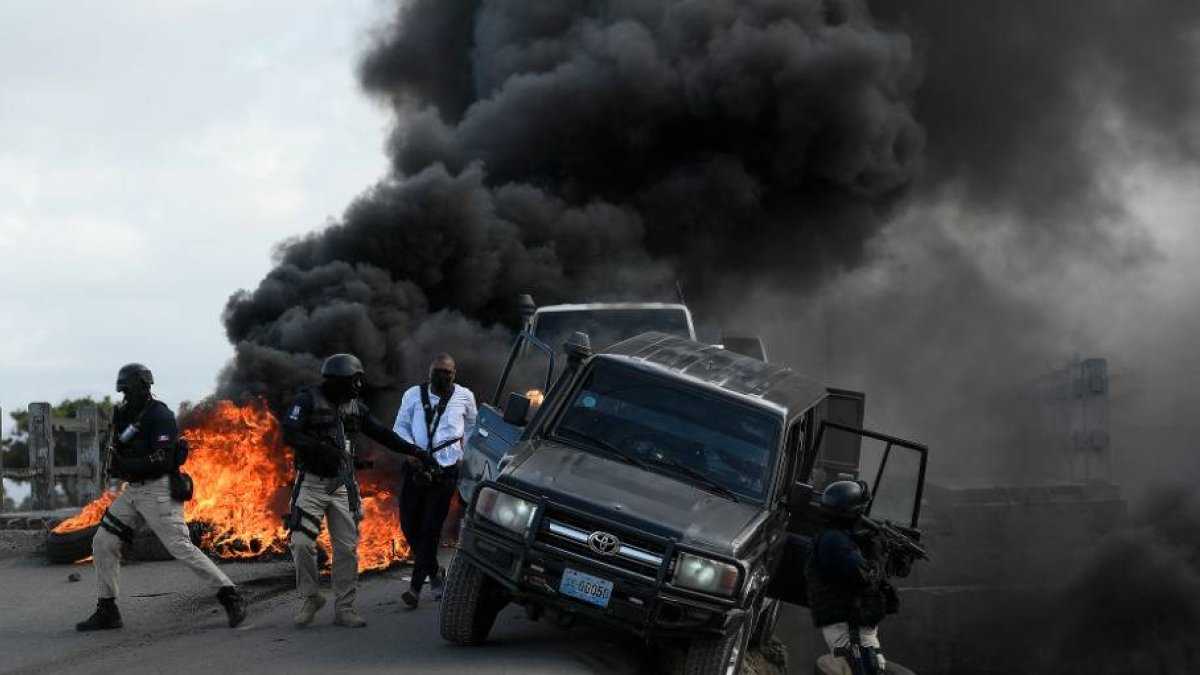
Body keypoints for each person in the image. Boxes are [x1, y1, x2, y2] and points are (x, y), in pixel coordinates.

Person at [76, 364, 248, 631]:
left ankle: (230, 595)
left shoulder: (160, 415)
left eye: (129, 390)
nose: (125, 396)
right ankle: (107, 609)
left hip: (159, 490)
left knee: (180, 546)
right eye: (122, 391)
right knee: (103, 542)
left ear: (145, 387)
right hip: (132, 491)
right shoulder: (123, 414)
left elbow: (163, 457)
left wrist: (128, 464)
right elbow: (118, 446)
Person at [282, 353, 425, 628]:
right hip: (310, 483)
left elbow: (383, 434)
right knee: (301, 544)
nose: (358, 387)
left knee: (346, 549)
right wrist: (320, 449)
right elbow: (290, 432)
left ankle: (344, 608)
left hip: (343, 486)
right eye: (354, 381)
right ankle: (311, 597)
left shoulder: (355, 408)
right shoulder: (307, 399)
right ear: (337, 381)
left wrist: (414, 451)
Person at [392, 353, 477, 609]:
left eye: (447, 372)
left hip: (446, 471)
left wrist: (465, 454)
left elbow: (472, 425)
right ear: (429, 374)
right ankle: (435, 572)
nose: (442, 376)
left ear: (454, 374)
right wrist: (410, 452)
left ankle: (415, 588)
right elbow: (400, 427)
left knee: (430, 528)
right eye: (438, 372)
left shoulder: (465, 396)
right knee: (409, 525)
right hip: (416, 467)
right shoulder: (412, 395)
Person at [807, 480, 900, 675]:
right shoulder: (835, 541)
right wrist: (877, 551)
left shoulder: (839, 537)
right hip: (850, 630)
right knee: (867, 670)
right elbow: (869, 576)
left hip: (853, 628)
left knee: (873, 667)